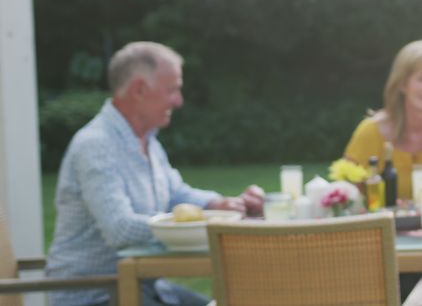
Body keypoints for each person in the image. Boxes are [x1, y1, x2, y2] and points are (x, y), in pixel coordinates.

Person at [45, 42, 264, 306]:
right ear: (139, 89)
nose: (179, 101)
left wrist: (219, 204)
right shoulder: (96, 145)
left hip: (143, 288)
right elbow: (121, 229)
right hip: (96, 294)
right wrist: (202, 225)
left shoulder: (148, 141)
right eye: (172, 90)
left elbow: (175, 194)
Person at [342, 38, 422, 306]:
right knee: (412, 275)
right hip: (379, 246)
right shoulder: (371, 132)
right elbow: (343, 194)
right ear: (402, 83)